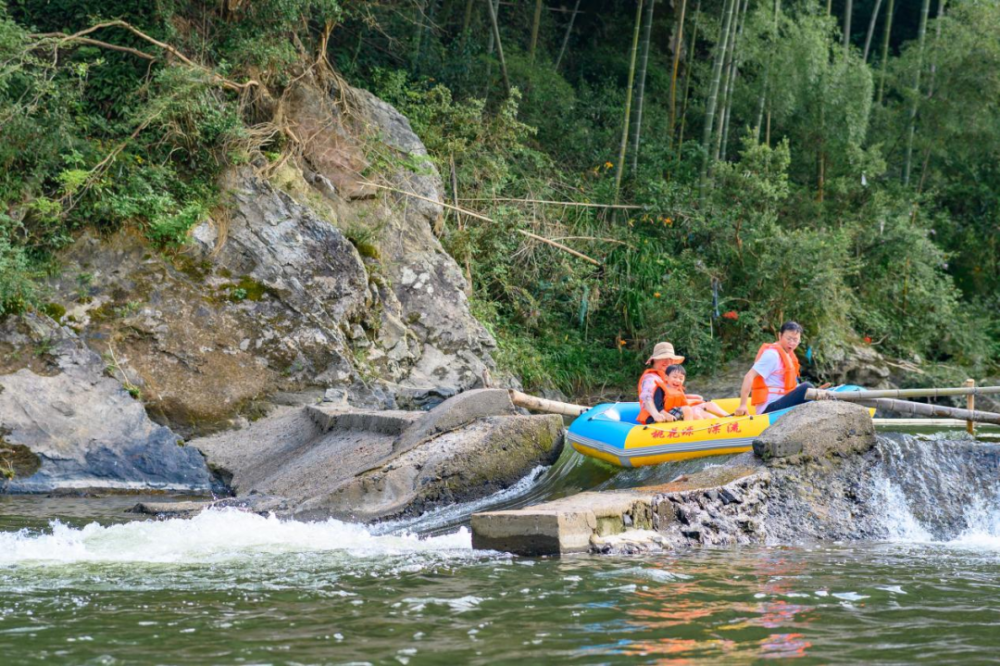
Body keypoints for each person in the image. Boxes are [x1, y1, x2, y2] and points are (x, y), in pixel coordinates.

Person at [733, 321, 814, 416]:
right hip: (769, 408)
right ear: (780, 336)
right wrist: (743, 405)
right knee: (807, 387)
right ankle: (829, 397)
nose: (792, 343)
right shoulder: (772, 355)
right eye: (788, 339)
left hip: (781, 401)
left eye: (795, 340)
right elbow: (749, 376)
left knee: (807, 389)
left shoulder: (788, 355)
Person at [637, 342, 691, 424]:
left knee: (699, 410)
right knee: (689, 410)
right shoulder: (651, 378)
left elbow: (673, 397)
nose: (668, 361)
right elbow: (647, 398)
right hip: (655, 417)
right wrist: (656, 414)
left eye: (670, 358)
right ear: (654, 360)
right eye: (663, 358)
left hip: (669, 412)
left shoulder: (668, 377)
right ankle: (689, 432)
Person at [664, 365, 731, 420]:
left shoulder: (676, 388)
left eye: (681, 378)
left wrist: (694, 398)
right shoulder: (662, 389)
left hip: (684, 407)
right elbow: (676, 402)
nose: (677, 380)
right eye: (674, 377)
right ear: (666, 377)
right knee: (696, 412)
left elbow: (681, 397)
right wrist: (696, 400)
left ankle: (729, 417)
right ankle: (718, 424)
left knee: (710, 404)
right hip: (675, 412)